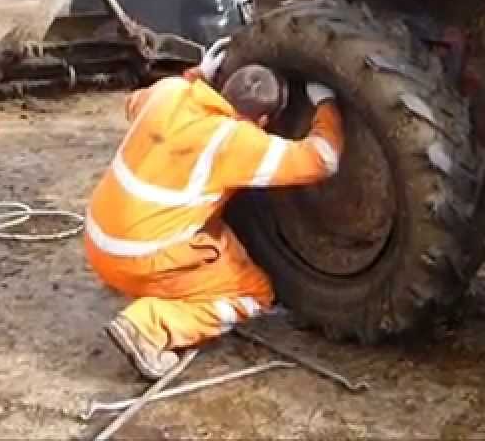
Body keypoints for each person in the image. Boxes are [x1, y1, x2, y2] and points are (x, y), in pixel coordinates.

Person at [83, 39, 344, 379]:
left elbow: (135, 103)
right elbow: (322, 159)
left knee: (214, 235)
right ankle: (148, 326)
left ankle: (139, 284)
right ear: (263, 120)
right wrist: (326, 103)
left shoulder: (169, 91)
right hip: (139, 258)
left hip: (96, 240)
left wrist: (197, 76)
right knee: (253, 293)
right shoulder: (237, 141)